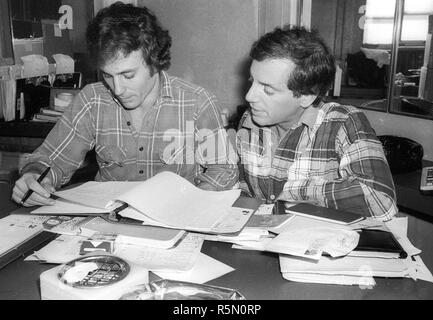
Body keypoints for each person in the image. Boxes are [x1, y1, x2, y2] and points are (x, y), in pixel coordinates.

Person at [12, 2, 238, 207]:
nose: (117, 89)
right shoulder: (93, 100)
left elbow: (224, 169)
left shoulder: (197, 102)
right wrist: (34, 176)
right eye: (108, 75)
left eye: (128, 75)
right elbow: (50, 159)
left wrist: (195, 200)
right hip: (107, 223)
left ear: (155, 61)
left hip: (175, 222)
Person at [236, 25, 397, 221]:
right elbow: (243, 188)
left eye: (268, 89)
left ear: (307, 95)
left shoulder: (344, 122)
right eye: (252, 81)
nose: (249, 96)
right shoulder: (250, 120)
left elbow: (381, 201)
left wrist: (290, 192)